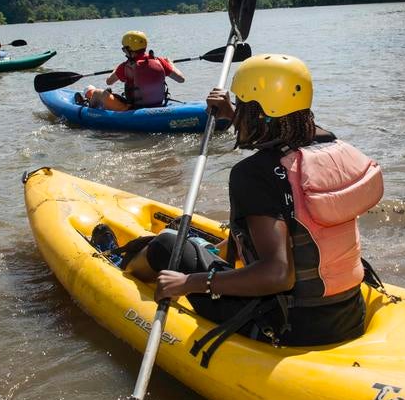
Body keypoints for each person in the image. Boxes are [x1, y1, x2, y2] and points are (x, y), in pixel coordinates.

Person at [125, 54, 386, 353]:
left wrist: (189, 283)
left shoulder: (252, 175)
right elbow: (281, 138)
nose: (241, 111)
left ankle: (124, 274)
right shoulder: (330, 146)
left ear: (259, 112)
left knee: (165, 246)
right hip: (346, 314)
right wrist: (234, 113)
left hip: (285, 324)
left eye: (244, 104)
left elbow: (277, 275)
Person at [82, 30, 186, 111]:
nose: (124, 51)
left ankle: (89, 108)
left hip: (133, 109)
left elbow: (109, 81)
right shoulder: (160, 61)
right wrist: (171, 64)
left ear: (129, 50)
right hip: (159, 104)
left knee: (98, 93)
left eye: (124, 49)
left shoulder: (125, 66)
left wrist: (115, 69)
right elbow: (181, 79)